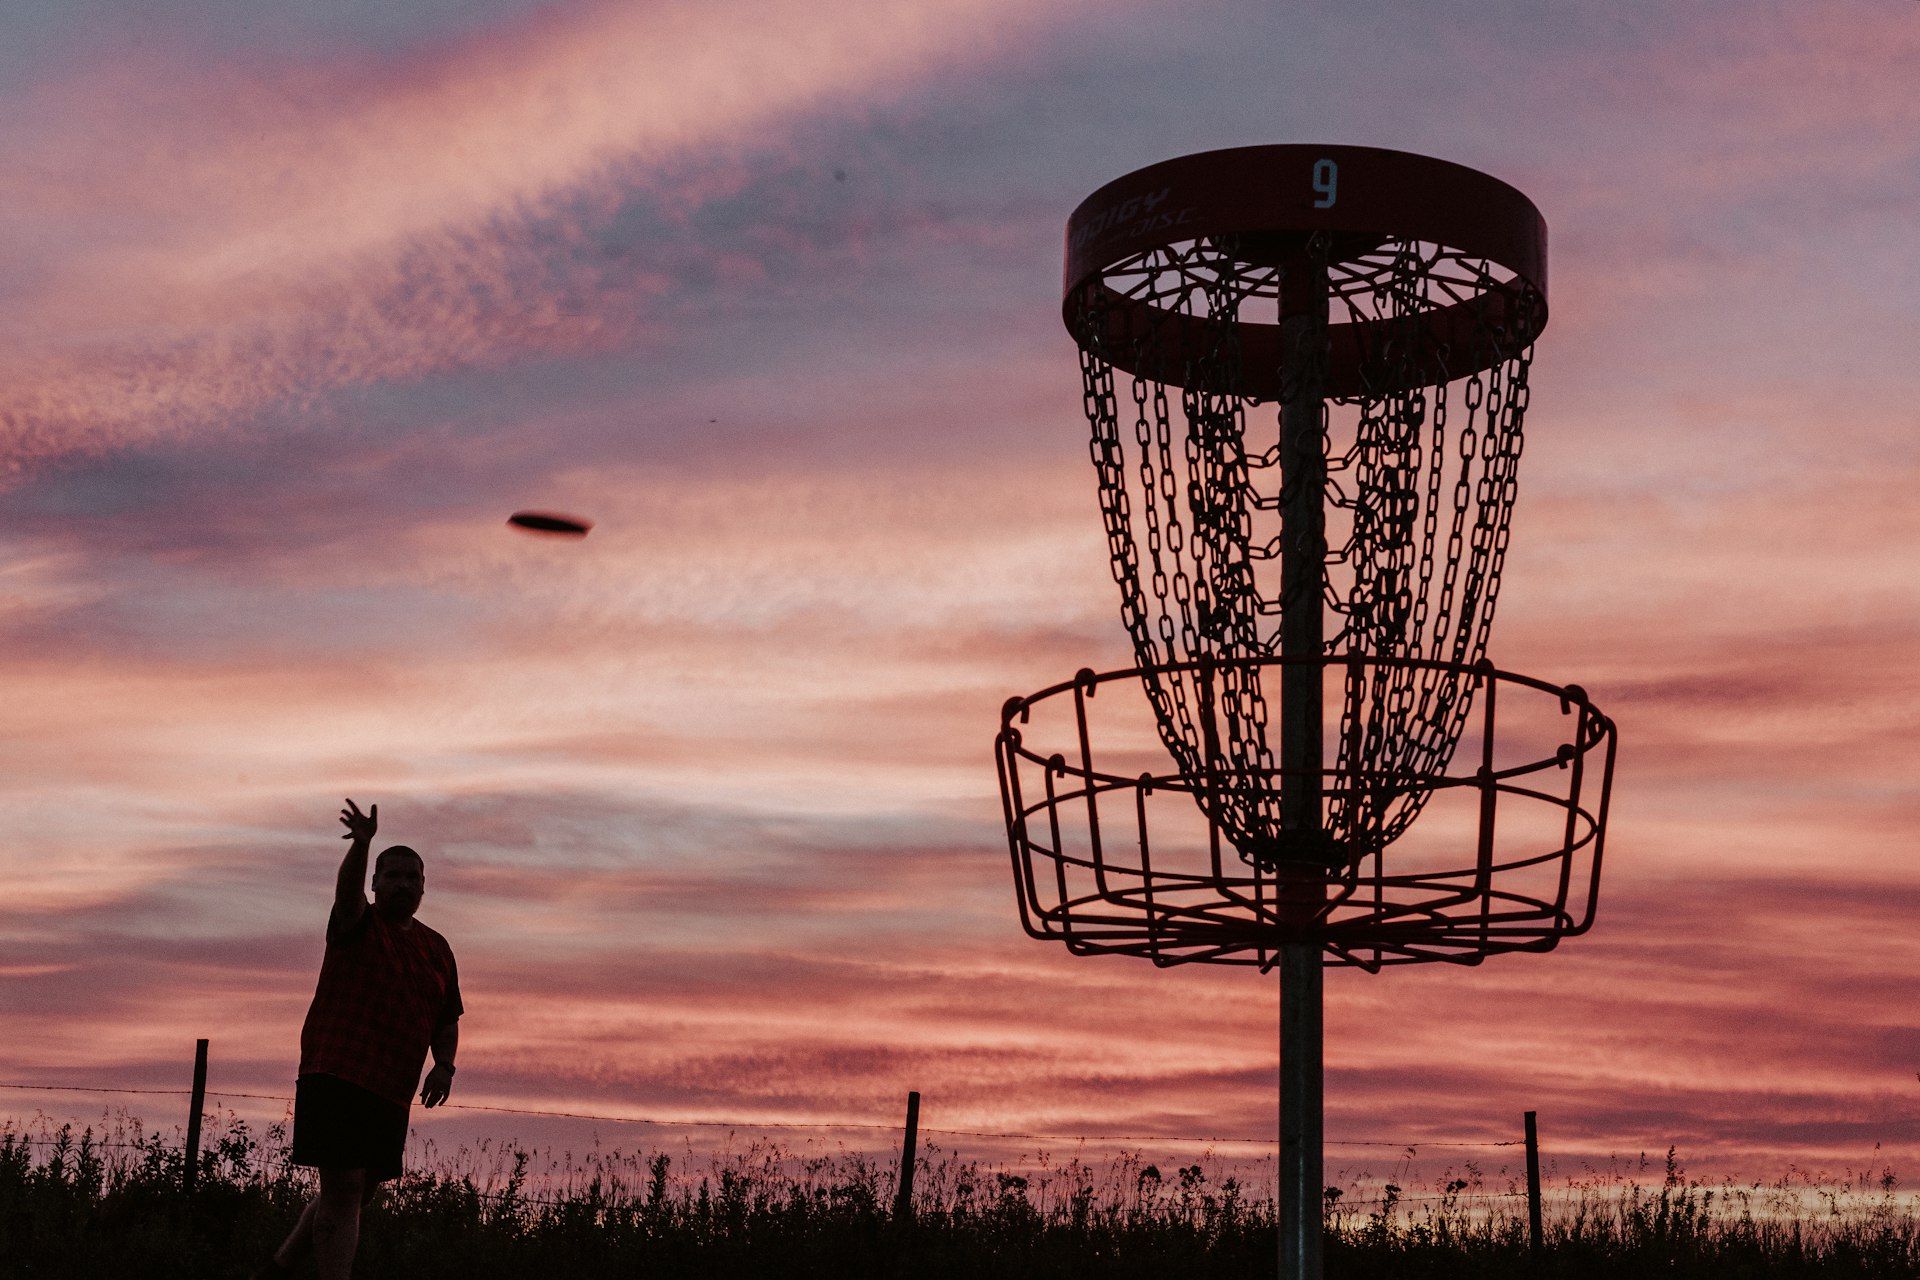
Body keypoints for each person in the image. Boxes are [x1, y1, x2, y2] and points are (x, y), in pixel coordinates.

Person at [254, 799, 463, 1280]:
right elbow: (346, 892)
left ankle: (278, 1269)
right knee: (345, 1188)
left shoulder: (437, 949)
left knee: (356, 1191)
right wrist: (363, 845)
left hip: (391, 1089)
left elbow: (446, 1018)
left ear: (424, 887)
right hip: (338, 1073)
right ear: (375, 882)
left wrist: (445, 1066)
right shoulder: (357, 922)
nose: (404, 884)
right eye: (393, 876)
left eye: (414, 877)